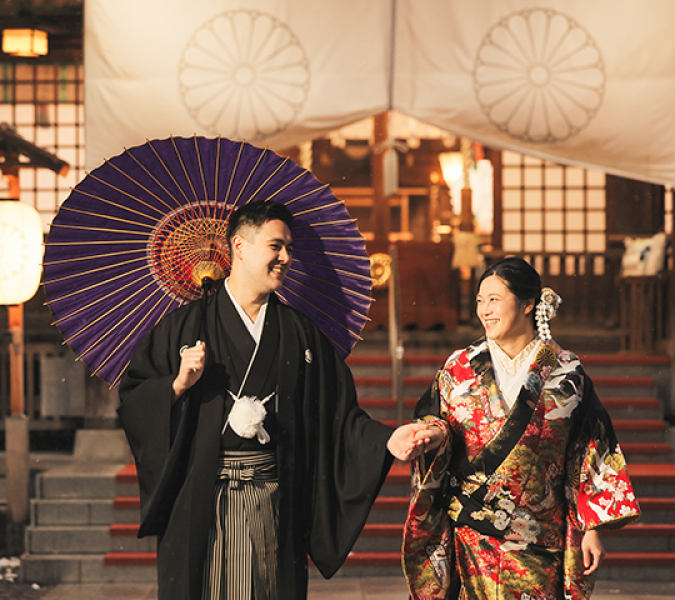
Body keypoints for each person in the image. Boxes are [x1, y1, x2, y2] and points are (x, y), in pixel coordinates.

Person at [117, 200, 416, 600]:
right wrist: (176, 386)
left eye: (289, 248)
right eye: (276, 246)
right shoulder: (183, 327)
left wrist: (385, 441)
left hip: (273, 499)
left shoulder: (299, 332)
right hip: (201, 497)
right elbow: (134, 399)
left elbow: (338, 414)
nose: (286, 258)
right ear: (239, 247)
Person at [400, 256, 641, 600]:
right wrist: (432, 434)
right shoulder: (459, 368)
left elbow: (587, 449)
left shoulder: (564, 372)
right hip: (469, 534)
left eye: (494, 300)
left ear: (529, 304)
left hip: (539, 538)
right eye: (480, 301)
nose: (484, 310)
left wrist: (590, 527)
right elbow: (434, 418)